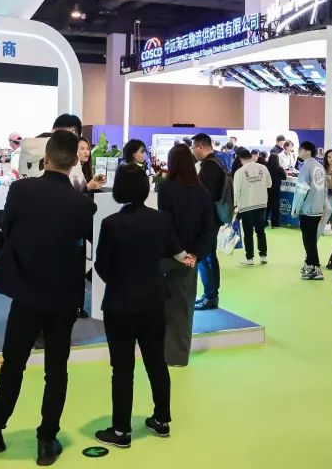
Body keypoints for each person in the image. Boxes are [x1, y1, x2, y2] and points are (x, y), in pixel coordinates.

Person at [0, 131, 96, 465]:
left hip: (27, 293)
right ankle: (47, 440)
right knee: (56, 371)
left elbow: (7, 228)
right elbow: (85, 242)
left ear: (45, 158)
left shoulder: (21, 190)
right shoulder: (82, 204)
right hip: (64, 297)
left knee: (13, 365)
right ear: (74, 162)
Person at [93, 163, 193, 449]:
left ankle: (121, 430)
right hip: (154, 299)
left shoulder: (111, 224)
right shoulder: (160, 220)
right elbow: (174, 250)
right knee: (156, 362)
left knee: (122, 368)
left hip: (120, 303)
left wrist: (120, 280)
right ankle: (161, 419)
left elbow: (102, 265)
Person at [157, 144, 215, 366]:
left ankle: (156, 351)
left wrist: (178, 252)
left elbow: (165, 224)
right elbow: (209, 228)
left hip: (166, 256)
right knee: (183, 309)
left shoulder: (166, 188)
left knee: (157, 304)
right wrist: (194, 254)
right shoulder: (203, 192)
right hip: (190, 259)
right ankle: (178, 357)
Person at [191, 133, 226, 310]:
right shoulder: (216, 162)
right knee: (208, 256)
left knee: (206, 257)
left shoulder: (209, 165)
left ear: (201, 147)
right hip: (213, 217)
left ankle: (211, 296)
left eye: (193, 147)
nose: (193, 151)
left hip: (209, 219)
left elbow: (207, 195)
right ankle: (209, 295)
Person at [292, 141, 328, 281]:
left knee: (309, 241)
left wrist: (296, 208)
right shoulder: (320, 166)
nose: (299, 151)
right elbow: (324, 189)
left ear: (307, 151)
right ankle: (309, 264)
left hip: (307, 209)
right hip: (317, 208)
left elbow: (301, 190)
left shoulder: (306, 167)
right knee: (311, 239)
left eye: (300, 149)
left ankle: (315, 268)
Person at [232, 147, 272, 265]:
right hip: (261, 203)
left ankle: (249, 258)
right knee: (261, 231)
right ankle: (263, 255)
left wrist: (234, 206)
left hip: (246, 205)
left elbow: (236, 191)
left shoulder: (239, 172)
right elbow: (269, 184)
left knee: (248, 233)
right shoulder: (263, 168)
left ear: (240, 159)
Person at [266, 153, 286, 229]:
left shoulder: (266, 167)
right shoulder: (279, 168)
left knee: (266, 206)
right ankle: (275, 224)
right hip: (276, 189)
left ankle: (264, 222)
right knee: (275, 207)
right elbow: (284, 177)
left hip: (267, 189)